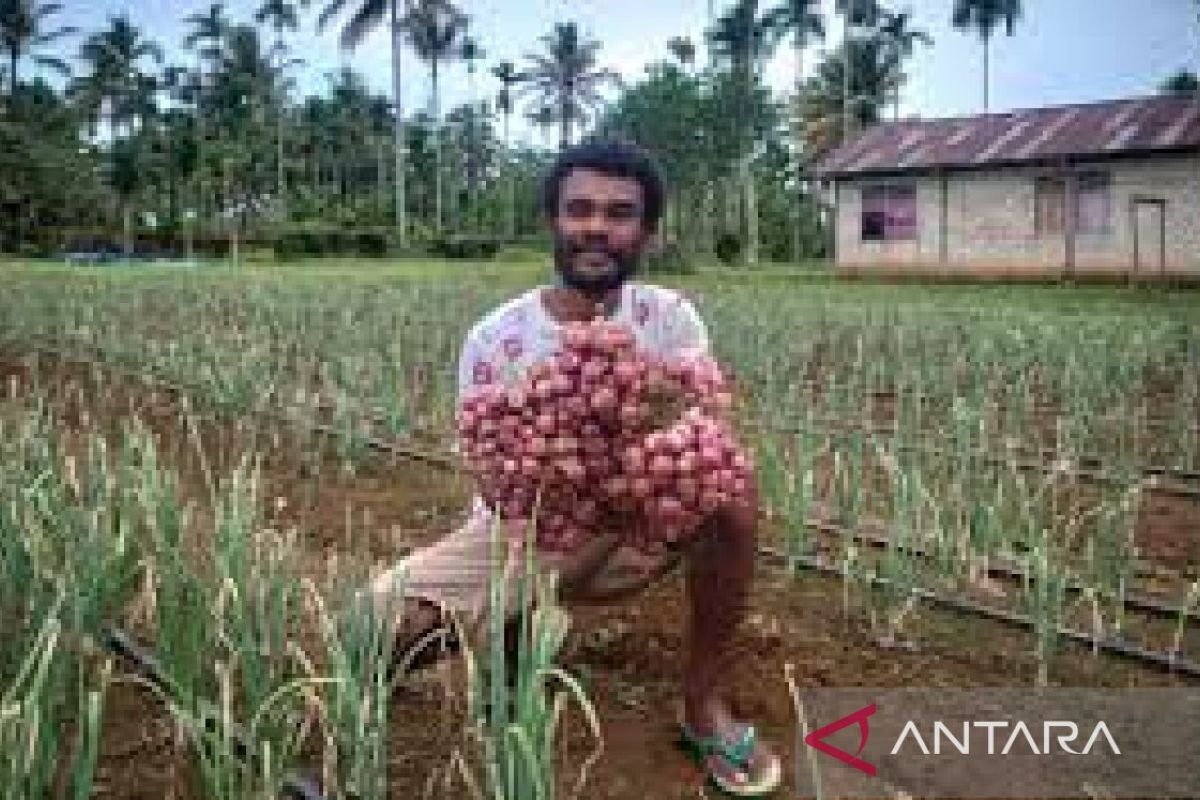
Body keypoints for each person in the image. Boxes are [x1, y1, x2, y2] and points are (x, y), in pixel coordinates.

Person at [368, 139, 781, 796]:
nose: (596, 226)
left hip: (638, 521)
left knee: (733, 489)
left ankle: (703, 701)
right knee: (374, 633)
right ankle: (514, 627)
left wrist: (617, 473)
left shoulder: (669, 318)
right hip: (528, 528)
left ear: (646, 231)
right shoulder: (496, 338)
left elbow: (703, 432)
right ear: (553, 221)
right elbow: (494, 483)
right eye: (579, 209)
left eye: (620, 213)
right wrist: (562, 465)